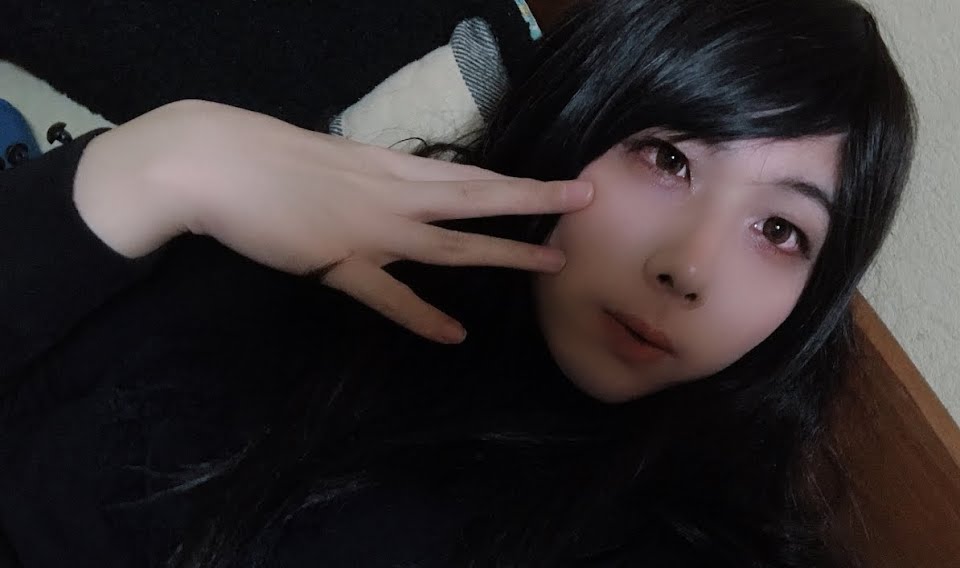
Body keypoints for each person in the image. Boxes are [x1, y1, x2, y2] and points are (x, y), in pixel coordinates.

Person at [0, 0, 915, 566]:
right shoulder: (284, 273)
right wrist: (155, 167)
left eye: (781, 230)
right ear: (578, 114)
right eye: (668, 159)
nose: (688, 267)